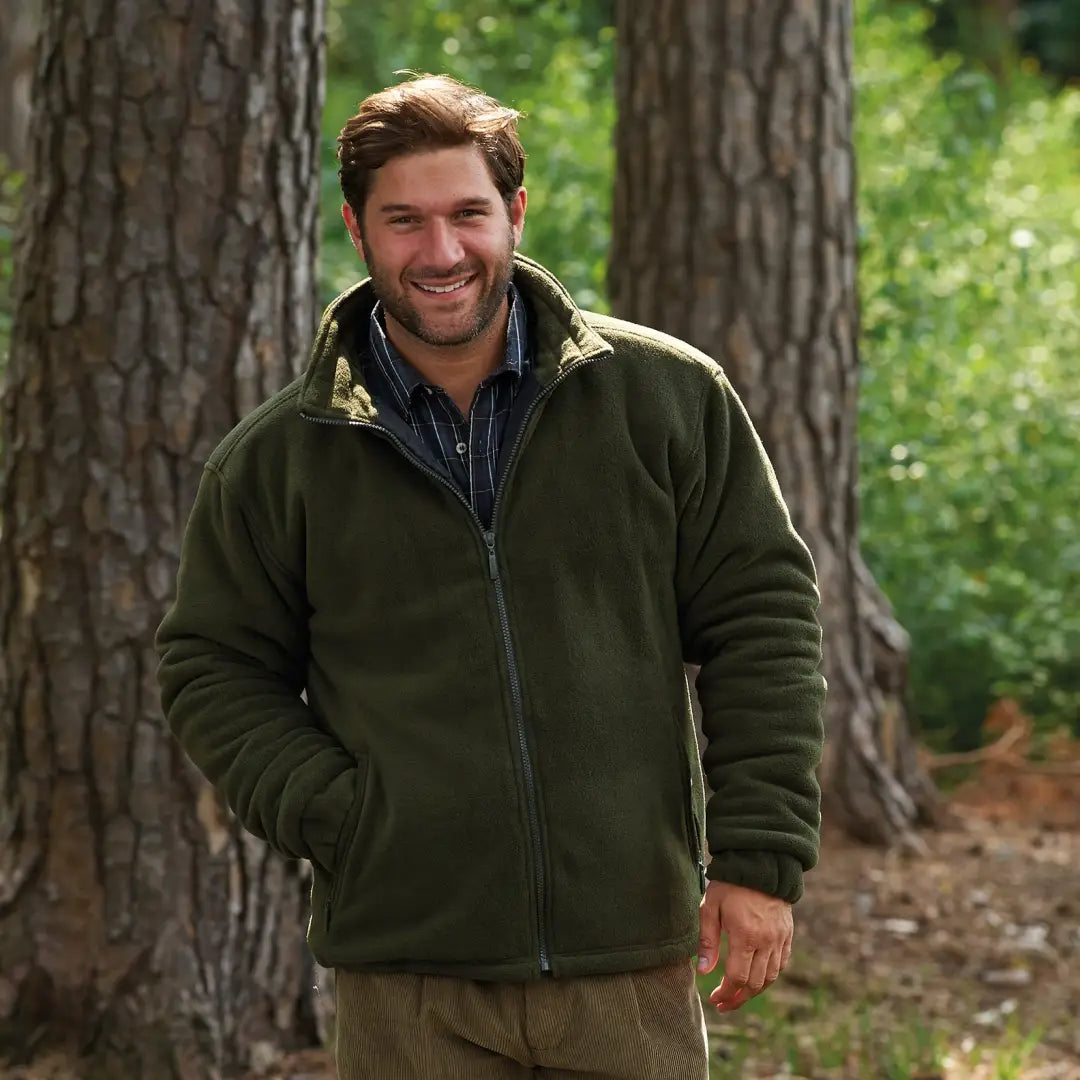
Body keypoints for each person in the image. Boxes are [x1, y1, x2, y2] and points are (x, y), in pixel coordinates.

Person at [156, 73, 826, 1080]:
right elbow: (210, 665)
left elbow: (763, 620)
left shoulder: (665, 399)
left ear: (513, 211)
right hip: (408, 976)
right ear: (357, 228)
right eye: (405, 221)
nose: (442, 253)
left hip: (626, 960)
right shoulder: (277, 460)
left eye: (467, 214)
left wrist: (758, 860)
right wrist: (348, 816)